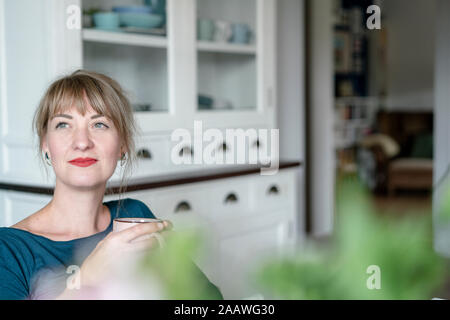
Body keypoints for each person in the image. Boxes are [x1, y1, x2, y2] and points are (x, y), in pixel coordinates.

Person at [0, 70, 222, 299]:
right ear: (45, 144)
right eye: (64, 125)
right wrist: (86, 279)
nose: (82, 142)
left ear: (122, 145)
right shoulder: (9, 249)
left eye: (99, 124)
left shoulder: (134, 215)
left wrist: (174, 271)